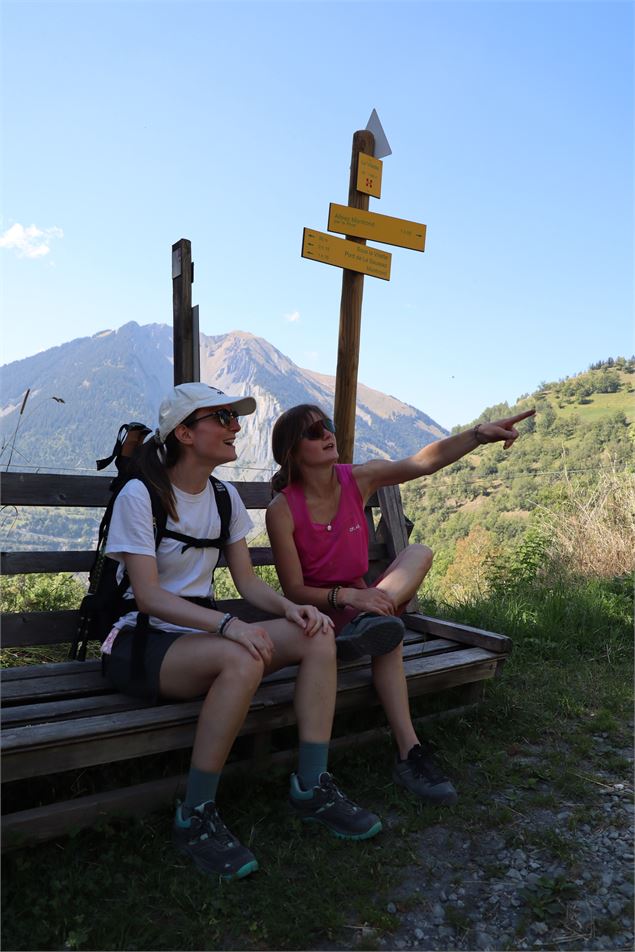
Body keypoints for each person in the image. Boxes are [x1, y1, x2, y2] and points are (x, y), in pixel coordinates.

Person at [101, 382, 383, 882]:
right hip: (140, 640)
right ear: (185, 433)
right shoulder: (140, 495)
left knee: (317, 633)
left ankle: (312, 785)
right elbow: (147, 596)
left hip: (199, 638)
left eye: (237, 417)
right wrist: (229, 626)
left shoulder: (223, 497)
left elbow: (248, 583)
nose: (236, 427)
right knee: (241, 657)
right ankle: (195, 814)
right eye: (224, 417)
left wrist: (293, 610)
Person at [266, 404, 535, 805]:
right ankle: (409, 751)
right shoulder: (282, 509)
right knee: (385, 629)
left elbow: (422, 463)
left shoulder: (359, 478)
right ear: (291, 451)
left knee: (418, 554)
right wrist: (350, 597)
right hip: (320, 618)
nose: (327, 435)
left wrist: (478, 434)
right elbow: (294, 590)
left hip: (368, 609)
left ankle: (405, 735)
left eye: (329, 426)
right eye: (314, 431)